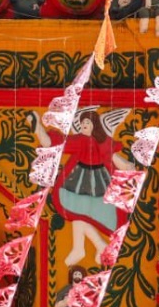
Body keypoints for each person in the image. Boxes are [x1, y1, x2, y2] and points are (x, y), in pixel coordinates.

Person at [34, 107, 133, 266]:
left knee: (79, 215)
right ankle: (91, 247)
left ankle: (86, 247)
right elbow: (55, 143)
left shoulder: (102, 141)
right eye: (82, 123)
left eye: (87, 122)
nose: (83, 125)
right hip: (78, 181)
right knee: (76, 213)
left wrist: (127, 166)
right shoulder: (79, 140)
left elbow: (113, 157)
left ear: (94, 124)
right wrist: (38, 127)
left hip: (99, 183)